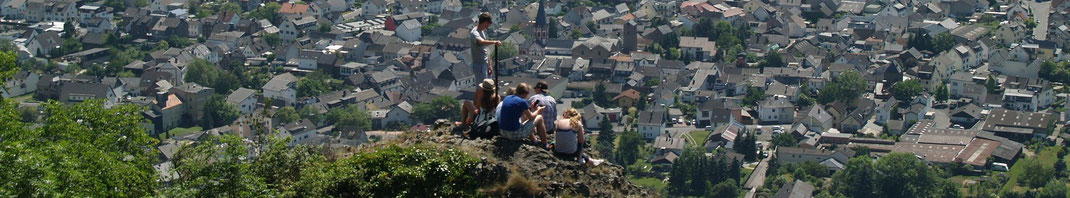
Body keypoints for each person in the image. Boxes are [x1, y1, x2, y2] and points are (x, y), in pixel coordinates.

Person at [470, 13, 502, 81]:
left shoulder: (482, 31)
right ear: (485, 22)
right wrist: (494, 42)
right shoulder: (474, 33)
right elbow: (481, 43)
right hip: (479, 65)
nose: (489, 25)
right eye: (489, 23)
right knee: (481, 88)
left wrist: (489, 64)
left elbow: (485, 49)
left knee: (488, 86)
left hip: (485, 63)